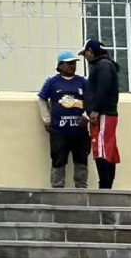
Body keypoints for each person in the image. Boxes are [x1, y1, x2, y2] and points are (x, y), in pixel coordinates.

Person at [38, 51, 89, 188]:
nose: (72, 66)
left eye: (74, 63)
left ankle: (81, 189)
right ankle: (57, 189)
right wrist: (46, 120)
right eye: (69, 63)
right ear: (60, 65)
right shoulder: (52, 82)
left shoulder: (83, 82)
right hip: (59, 131)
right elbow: (42, 99)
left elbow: (92, 100)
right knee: (58, 160)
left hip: (80, 132)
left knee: (81, 161)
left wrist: (86, 116)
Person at [81, 38, 122, 189]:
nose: (85, 58)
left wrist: (96, 109)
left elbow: (103, 89)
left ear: (90, 52)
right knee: (108, 150)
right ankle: (107, 185)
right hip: (106, 113)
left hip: (103, 114)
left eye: (85, 54)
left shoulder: (102, 65)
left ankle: (104, 186)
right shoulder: (105, 65)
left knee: (102, 149)